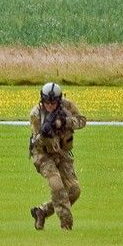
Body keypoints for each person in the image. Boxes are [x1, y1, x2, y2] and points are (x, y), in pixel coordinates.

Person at [28, 82, 87, 231]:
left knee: (74, 191)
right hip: (43, 154)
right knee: (57, 186)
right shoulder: (36, 114)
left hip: (61, 153)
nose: (50, 106)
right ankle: (66, 225)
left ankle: (42, 211)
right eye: (47, 102)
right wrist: (45, 134)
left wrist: (64, 122)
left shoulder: (67, 107)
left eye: (53, 103)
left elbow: (82, 121)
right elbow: (36, 142)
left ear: (59, 101)